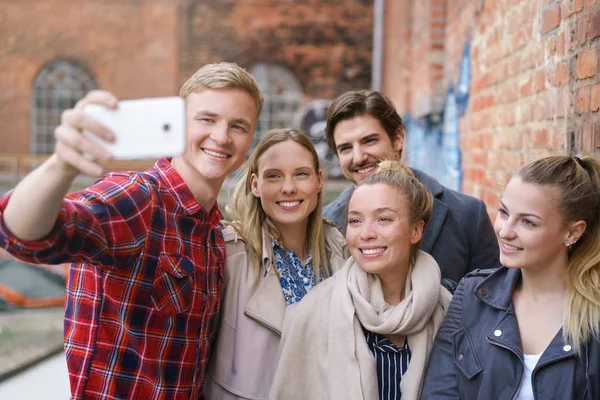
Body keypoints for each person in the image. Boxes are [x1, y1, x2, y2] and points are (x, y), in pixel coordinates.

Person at [0, 62, 263, 400]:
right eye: (207, 119)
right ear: (181, 123)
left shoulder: (212, 233)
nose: (222, 136)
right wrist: (61, 164)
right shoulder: (140, 197)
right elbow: (25, 236)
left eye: (238, 126)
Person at [420, 154, 600, 399]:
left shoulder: (594, 315)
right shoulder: (473, 295)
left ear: (572, 231)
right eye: (504, 212)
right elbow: (439, 392)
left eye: (527, 222)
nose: (505, 231)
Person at [270, 160, 452, 400]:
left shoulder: (449, 309)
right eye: (355, 221)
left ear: (416, 231)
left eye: (383, 219)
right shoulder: (313, 311)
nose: (366, 233)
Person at [204, 128, 347, 399]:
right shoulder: (227, 254)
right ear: (255, 185)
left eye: (301, 174)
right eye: (274, 176)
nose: (289, 187)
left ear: (319, 180)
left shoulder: (343, 251)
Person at [322, 90, 499, 286]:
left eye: (369, 141)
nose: (358, 157)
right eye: (345, 148)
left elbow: (492, 302)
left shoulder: (468, 215)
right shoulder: (325, 225)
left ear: (398, 138)